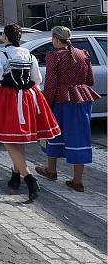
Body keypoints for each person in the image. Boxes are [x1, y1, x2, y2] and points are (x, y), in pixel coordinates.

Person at [0, 24, 60, 201]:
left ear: (5, 37)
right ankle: (15, 176)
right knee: (17, 138)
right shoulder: (28, 54)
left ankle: (29, 179)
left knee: (9, 139)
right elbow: (37, 79)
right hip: (29, 96)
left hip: (8, 98)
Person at [36, 26, 100, 193]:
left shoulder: (54, 56)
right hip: (82, 98)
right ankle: (77, 181)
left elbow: (51, 84)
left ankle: (51, 170)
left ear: (56, 39)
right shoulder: (83, 53)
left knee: (54, 133)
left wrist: (47, 103)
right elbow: (90, 80)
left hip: (61, 99)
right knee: (80, 137)